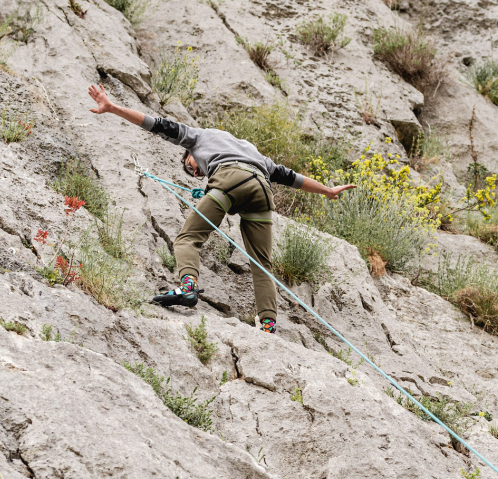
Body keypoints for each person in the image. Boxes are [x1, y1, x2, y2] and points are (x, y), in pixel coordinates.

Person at [87, 85, 354, 333]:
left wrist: (113, 108)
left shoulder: (197, 137)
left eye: (192, 168)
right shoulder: (253, 150)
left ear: (189, 154)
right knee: (262, 264)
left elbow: (157, 125)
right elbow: (289, 177)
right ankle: (269, 325)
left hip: (229, 180)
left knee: (188, 238)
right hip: (261, 189)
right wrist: (327, 190)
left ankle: (187, 288)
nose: (197, 172)